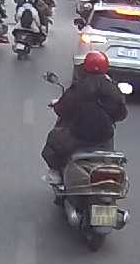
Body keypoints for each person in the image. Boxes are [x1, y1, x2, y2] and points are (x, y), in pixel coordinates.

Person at [42, 51, 128, 184]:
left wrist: (58, 105)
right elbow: (121, 114)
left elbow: (62, 109)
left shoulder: (78, 87)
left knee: (52, 142)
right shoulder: (111, 88)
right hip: (104, 138)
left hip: (76, 137)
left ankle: (56, 174)